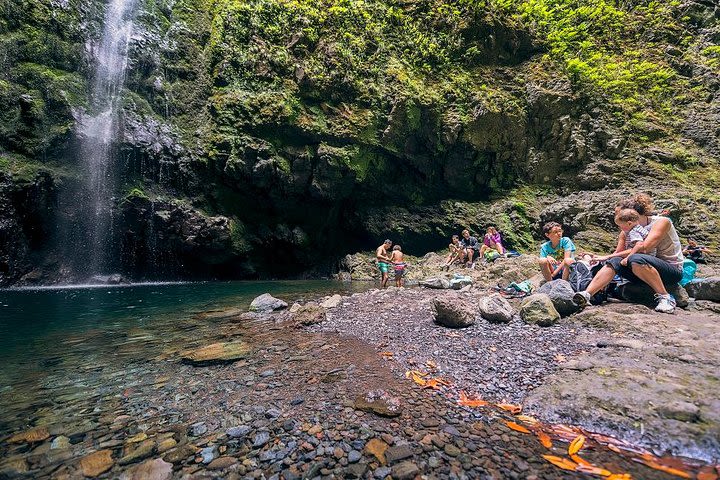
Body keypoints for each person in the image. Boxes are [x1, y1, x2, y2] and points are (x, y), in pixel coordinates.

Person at [574, 193, 684, 314]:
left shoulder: (661, 222)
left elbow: (645, 248)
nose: (616, 216)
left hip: (670, 271)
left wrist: (607, 256)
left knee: (635, 258)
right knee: (615, 262)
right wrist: (600, 258)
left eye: (618, 213)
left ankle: (665, 297)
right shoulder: (626, 230)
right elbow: (618, 254)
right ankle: (587, 294)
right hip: (640, 270)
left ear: (631, 214)